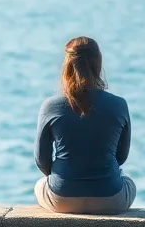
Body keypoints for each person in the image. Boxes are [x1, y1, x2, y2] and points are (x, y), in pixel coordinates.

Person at [33, 36, 136, 214]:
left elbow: (41, 160)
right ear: (98, 64)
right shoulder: (119, 104)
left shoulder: (50, 106)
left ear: (67, 67)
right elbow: (121, 157)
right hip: (111, 200)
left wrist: (67, 177)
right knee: (128, 181)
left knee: (39, 185)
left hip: (62, 199)